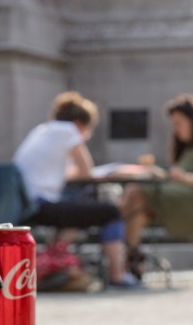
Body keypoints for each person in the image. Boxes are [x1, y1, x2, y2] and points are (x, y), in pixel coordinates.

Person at [12, 92, 139, 288]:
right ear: (80, 123)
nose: (87, 135)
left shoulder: (42, 130)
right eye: (88, 130)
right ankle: (118, 275)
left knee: (80, 207)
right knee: (112, 212)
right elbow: (87, 171)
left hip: (26, 203)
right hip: (42, 205)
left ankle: (57, 257)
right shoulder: (69, 131)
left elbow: (64, 174)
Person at [123, 94, 193, 261]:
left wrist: (186, 177)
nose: (176, 129)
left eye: (179, 123)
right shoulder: (187, 147)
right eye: (174, 124)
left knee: (134, 191)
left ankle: (126, 256)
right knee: (136, 211)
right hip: (178, 195)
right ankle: (130, 260)